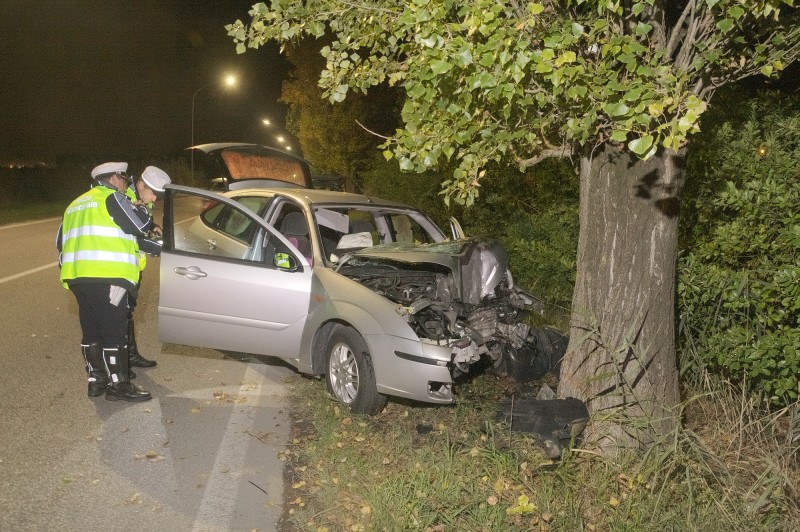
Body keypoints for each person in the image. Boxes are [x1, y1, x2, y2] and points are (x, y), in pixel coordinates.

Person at [57, 162, 159, 401]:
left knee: (91, 331)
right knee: (115, 333)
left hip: (77, 278)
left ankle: (96, 381)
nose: (125, 184)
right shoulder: (113, 198)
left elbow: (60, 242)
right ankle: (118, 386)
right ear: (114, 178)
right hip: (108, 276)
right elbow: (140, 226)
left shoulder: (75, 204)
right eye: (123, 179)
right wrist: (142, 205)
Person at [124, 166, 171, 371]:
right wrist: (163, 249)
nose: (153, 199)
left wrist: (152, 226)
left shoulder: (141, 198)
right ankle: (122, 363)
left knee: (127, 312)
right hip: (118, 267)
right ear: (140, 184)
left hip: (132, 267)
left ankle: (129, 356)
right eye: (152, 193)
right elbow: (130, 236)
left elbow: (141, 222)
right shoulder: (122, 198)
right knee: (119, 315)